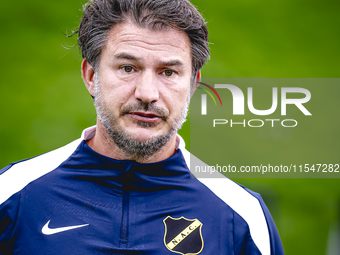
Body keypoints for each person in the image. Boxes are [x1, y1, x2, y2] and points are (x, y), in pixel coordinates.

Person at [0, 0, 284, 254]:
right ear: (90, 76)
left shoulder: (240, 216)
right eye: (128, 68)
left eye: (168, 72)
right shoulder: (12, 196)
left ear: (193, 84)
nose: (147, 93)